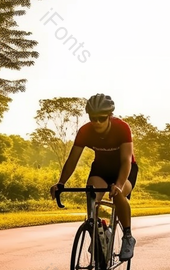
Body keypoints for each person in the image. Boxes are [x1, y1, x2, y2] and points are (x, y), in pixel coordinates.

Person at [50, 94, 138, 260]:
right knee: (92, 196)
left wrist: (118, 184)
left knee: (118, 194)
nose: (97, 122)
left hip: (124, 169)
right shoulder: (85, 131)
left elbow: (126, 160)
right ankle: (99, 235)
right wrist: (61, 182)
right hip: (101, 169)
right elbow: (72, 160)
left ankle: (127, 236)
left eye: (101, 118)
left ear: (109, 116)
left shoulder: (121, 128)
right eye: (93, 118)